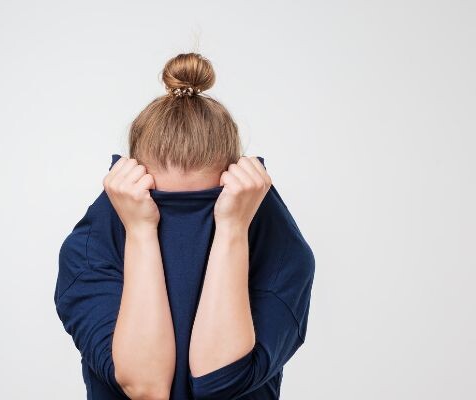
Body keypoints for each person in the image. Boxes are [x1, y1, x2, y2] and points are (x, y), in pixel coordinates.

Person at [54, 52, 315, 400]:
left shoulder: (281, 252)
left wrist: (233, 228)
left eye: (206, 206)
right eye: (161, 204)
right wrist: (141, 231)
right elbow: (146, 387)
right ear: (129, 190)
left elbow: (219, 382)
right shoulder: (89, 251)